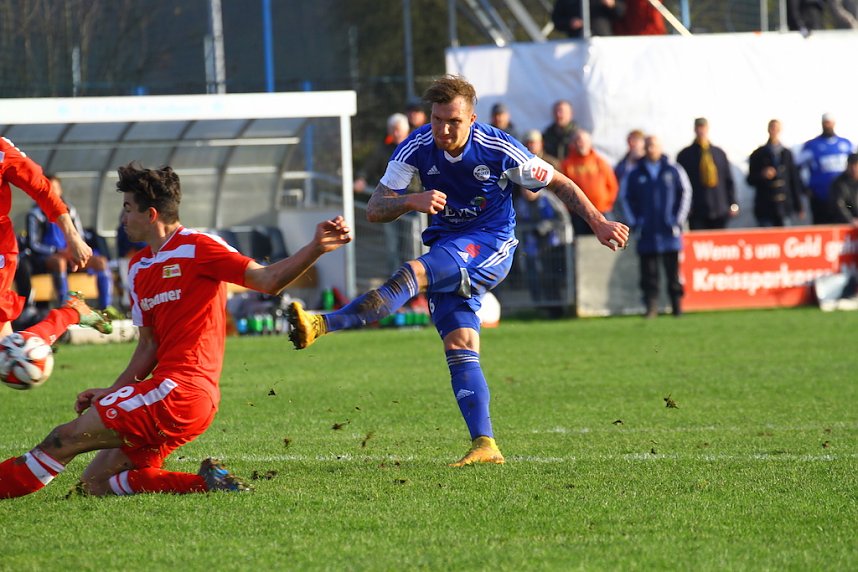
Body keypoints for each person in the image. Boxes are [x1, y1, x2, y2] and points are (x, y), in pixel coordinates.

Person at [286, 75, 629, 467]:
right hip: (447, 246)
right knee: (461, 346)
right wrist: (413, 199)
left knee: (411, 274)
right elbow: (375, 208)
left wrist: (599, 222)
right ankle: (486, 444)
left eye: (453, 121)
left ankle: (323, 324)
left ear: (472, 119)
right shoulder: (416, 146)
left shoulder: (498, 147)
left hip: (489, 244)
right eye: (437, 119)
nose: (444, 129)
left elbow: (560, 182)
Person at [0, 163, 351, 499]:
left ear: (150, 214)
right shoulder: (138, 268)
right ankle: (209, 484)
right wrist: (113, 391)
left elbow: (267, 279)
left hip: (180, 392)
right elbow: (148, 346)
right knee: (96, 483)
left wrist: (316, 247)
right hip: (176, 398)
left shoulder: (199, 246)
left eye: (127, 209)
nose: (122, 218)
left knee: (63, 439)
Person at [0, 136, 92, 340]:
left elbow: (42, 188)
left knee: (5, 352)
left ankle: (66, 316)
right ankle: (69, 314)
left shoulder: (1, 150)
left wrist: (72, 236)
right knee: (6, 354)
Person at [619, 135, 692, 318]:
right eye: (649, 146)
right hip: (647, 230)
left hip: (669, 230)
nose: (652, 149)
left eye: (655, 146)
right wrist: (635, 222)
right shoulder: (635, 173)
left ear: (660, 148)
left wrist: (677, 220)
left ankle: (677, 306)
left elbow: (685, 194)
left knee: (673, 271)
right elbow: (625, 198)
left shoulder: (673, 170)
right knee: (649, 273)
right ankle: (651, 307)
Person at [26, 175, 116, 313]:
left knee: (101, 262)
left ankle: (106, 308)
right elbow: (33, 244)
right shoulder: (35, 214)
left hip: (70, 253)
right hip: (49, 257)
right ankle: (65, 307)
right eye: (49, 188)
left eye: (55, 188)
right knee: (59, 262)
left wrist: (76, 249)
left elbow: (80, 237)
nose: (53, 192)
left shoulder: (70, 211)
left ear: (60, 190)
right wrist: (56, 250)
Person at [354, 113, 423, 273]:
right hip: (391, 203)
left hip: (412, 205)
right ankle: (395, 277)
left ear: (405, 130)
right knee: (392, 245)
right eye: (393, 130)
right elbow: (369, 166)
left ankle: (413, 278)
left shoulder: (416, 147)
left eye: (398, 129)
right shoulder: (383, 149)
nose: (396, 133)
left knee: (411, 244)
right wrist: (361, 178)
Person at [676, 117, 737, 230]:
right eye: (699, 128)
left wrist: (732, 202)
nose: (701, 131)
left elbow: (728, 180)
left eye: (703, 127)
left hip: (719, 207)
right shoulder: (685, 155)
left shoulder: (718, 153)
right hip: (697, 209)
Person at [559, 129, 619, 236]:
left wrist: (606, 204)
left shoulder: (600, 162)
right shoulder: (567, 165)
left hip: (601, 212)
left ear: (589, 143)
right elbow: (561, 188)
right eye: (578, 140)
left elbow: (612, 186)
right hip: (578, 215)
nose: (580, 143)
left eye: (583, 141)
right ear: (573, 143)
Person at [747, 119, 806, 227]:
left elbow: (794, 180)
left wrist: (799, 206)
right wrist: (762, 175)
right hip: (765, 206)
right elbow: (750, 180)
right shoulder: (758, 154)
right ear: (768, 130)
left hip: (784, 206)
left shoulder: (787, 154)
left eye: (776, 128)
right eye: (772, 128)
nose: (774, 131)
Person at [798, 113, 855, 225]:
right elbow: (795, 168)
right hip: (820, 197)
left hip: (843, 198)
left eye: (829, 122)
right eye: (825, 123)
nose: (828, 125)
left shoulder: (846, 144)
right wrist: (804, 188)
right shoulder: (812, 146)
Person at [552, 0, 626, 37]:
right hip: (576, 43)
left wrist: (612, 4)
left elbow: (621, 13)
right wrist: (569, 23)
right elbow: (556, 20)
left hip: (602, 40)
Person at [829, 153, 858, 225]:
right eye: (852, 166)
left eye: (856, 166)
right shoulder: (839, 183)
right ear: (847, 166)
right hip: (844, 223)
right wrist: (850, 219)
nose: (854, 170)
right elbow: (840, 204)